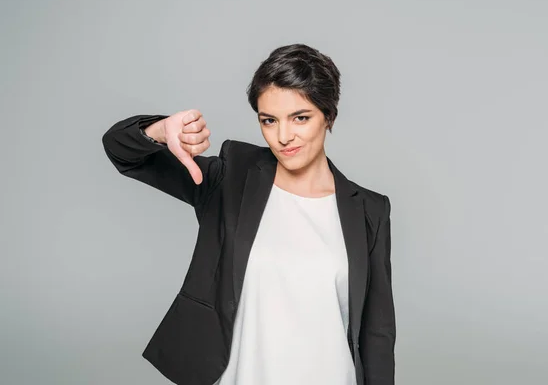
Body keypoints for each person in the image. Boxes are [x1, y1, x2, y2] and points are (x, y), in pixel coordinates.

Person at [101, 43, 395, 385]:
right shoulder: (231, 179)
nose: (284, 136)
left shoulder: (369, 210)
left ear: (328, 116)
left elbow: (377, 334)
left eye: (300, 117)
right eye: (269, 120)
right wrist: (159, 131)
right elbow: (120, 151)